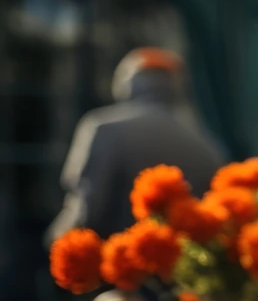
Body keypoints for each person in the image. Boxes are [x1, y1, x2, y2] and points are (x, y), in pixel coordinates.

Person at [46, 47, 224, 244]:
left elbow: (87, 205)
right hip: (180, 267)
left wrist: (58, 242)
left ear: (127, 83)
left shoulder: (103, 128)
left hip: (117, 263)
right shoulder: (204, 142)